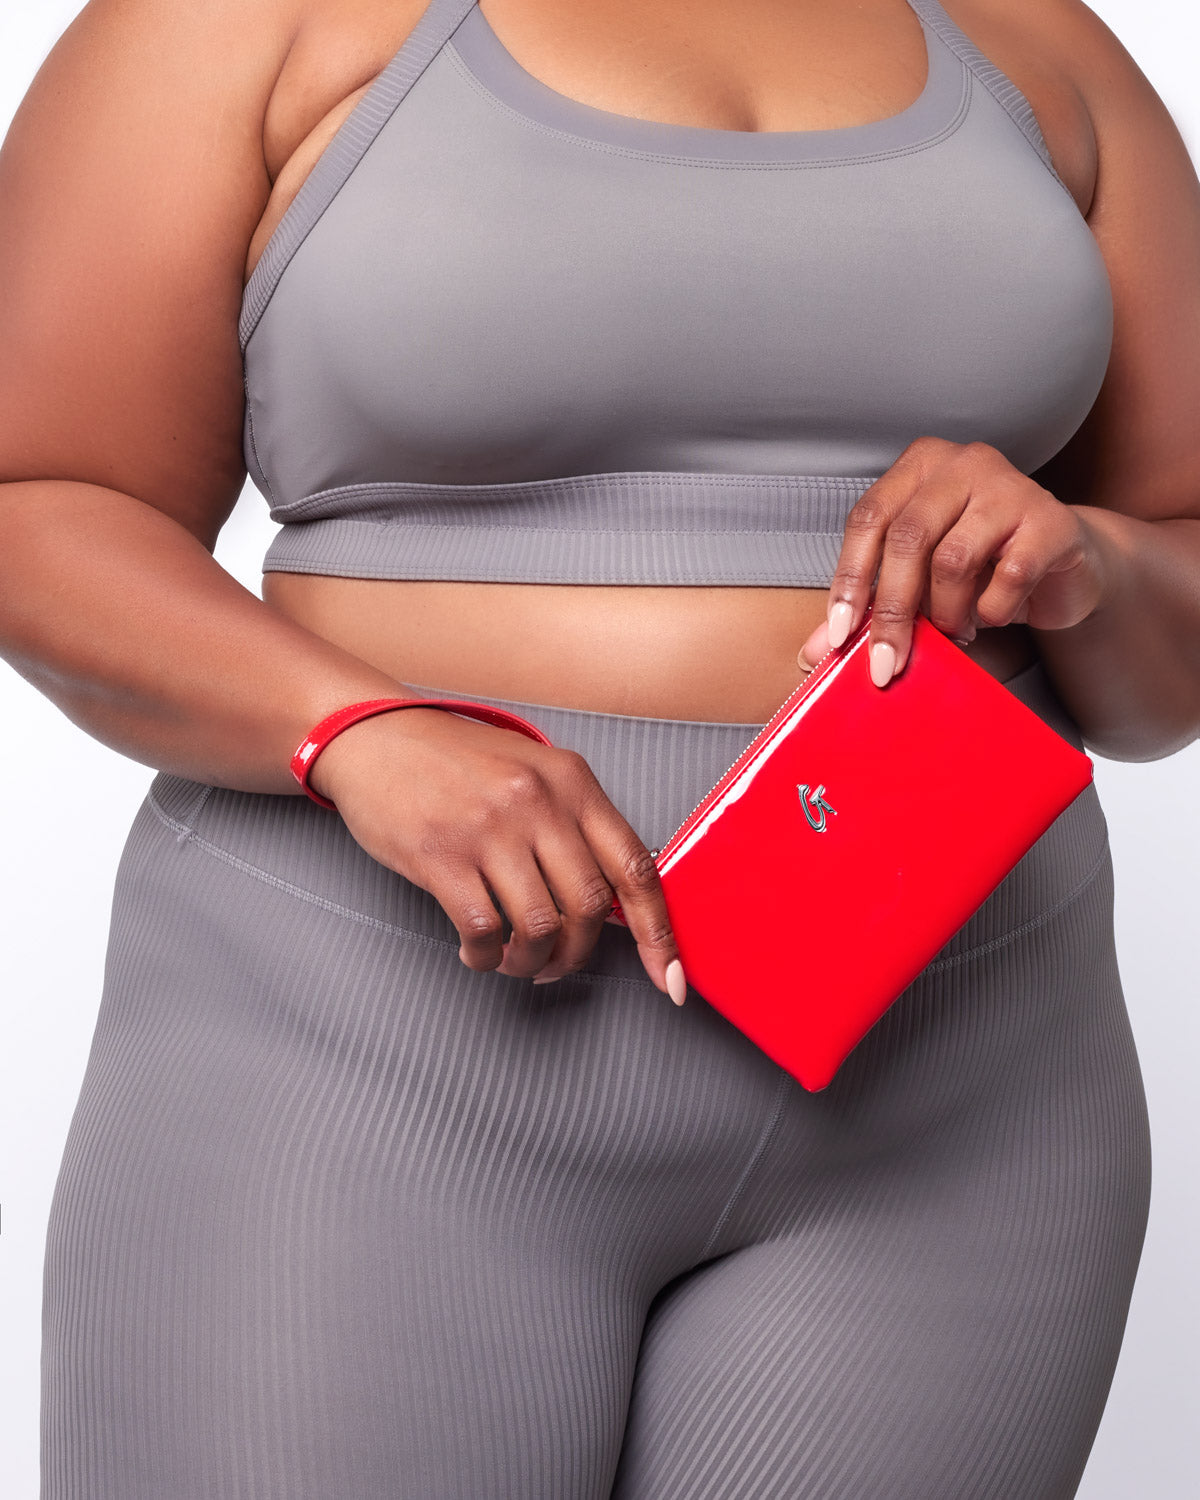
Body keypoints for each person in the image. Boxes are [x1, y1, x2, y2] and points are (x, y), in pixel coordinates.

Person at [2, 0, 1196, 1494]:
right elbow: (40, 503)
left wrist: (1084, 559)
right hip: (358, 1041)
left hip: (962, 1088)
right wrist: (359, 732)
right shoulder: (241, 25)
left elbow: (1170, 673)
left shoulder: (1043, 48)